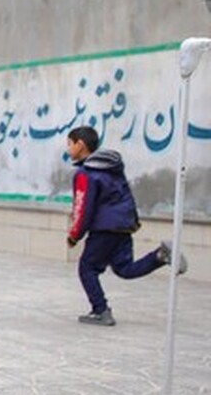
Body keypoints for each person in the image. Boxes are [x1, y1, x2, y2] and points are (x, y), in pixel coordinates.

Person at [65, 125, 186, 326]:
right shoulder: (113, 169)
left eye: (69, 144)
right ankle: (160, 256)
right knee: (124, 268)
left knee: (87, 267)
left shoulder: (86, 174)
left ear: (80, 145)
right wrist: (131, 222)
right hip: (123, 225)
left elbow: (82, 207)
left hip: (104, 228)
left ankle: (100, 310)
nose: (68, 149)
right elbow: (125, 196)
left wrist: (74, 235)